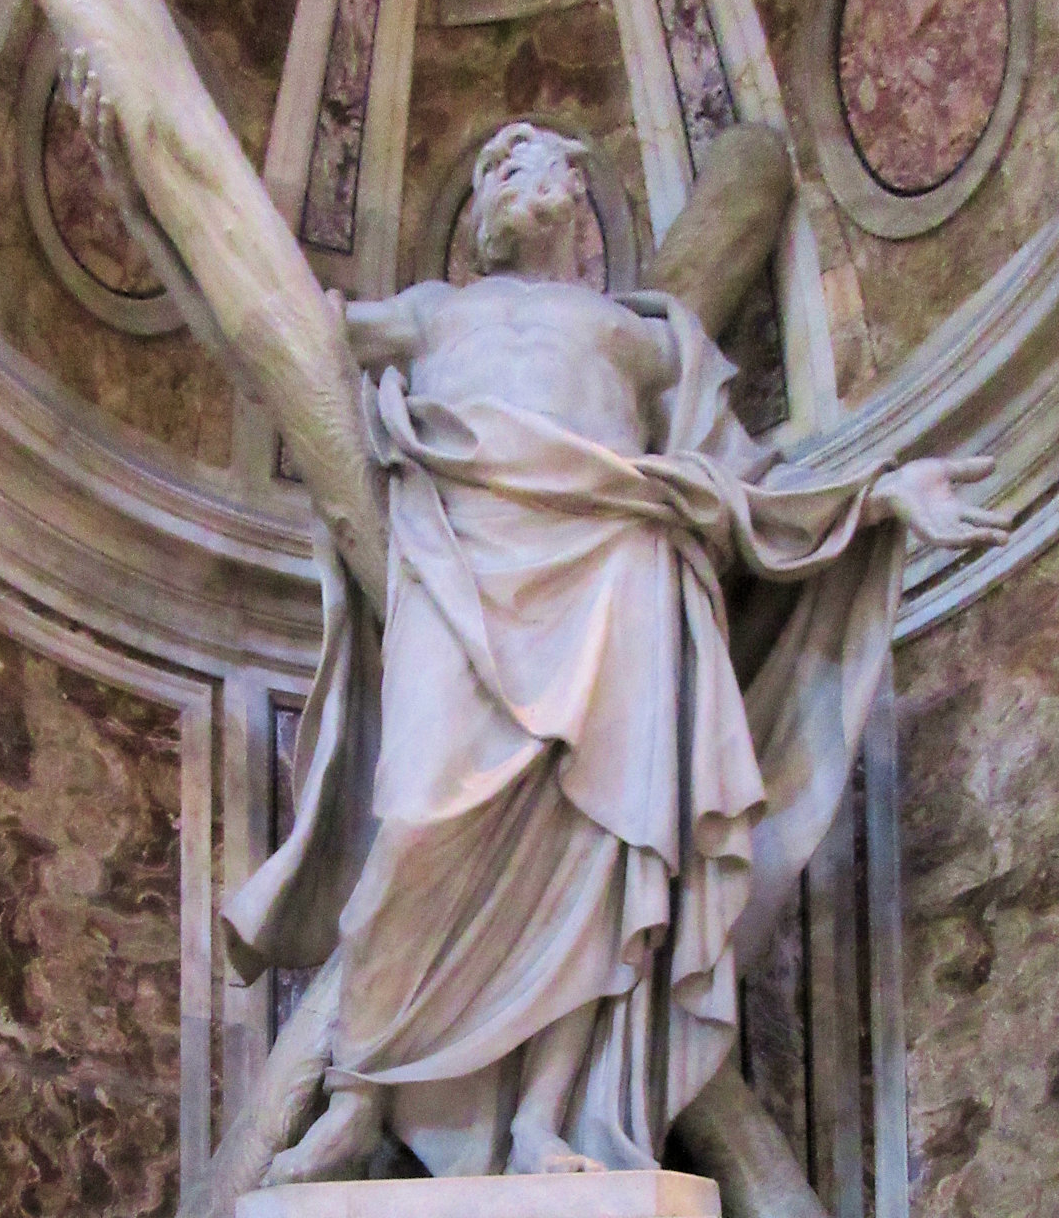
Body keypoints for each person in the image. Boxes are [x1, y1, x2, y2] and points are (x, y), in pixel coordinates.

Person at [217, 121, 1006, 1183]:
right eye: (488, 167)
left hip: (617, 579)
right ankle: (358, 1098)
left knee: (600, 859)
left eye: (519, 162)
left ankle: (552, 1120)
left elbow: (734, 495)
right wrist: (146, 191)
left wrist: (877, 498)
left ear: (571, 189)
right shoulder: (433, 311)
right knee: (411, 824)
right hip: (467, 576)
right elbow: (277, 328)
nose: (499, 183)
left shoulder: (646, 337)